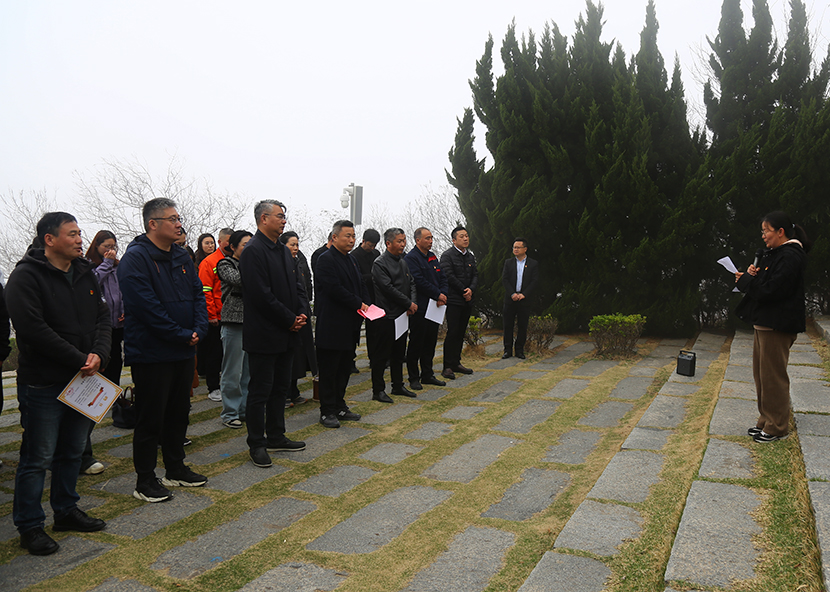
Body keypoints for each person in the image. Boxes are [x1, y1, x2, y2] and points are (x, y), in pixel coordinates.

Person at [5, 212, 110, 555]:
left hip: (83, 379)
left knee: (72, 451)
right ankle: (30, 525)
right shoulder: (25, 276)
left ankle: (65, 510)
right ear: (49, 240)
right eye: (72, 234)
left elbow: (102, 316)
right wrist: (78, 358)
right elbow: (32, 329)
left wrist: (99, 354)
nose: (80, 239)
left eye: (80, 233)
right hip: (44, 383)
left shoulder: (85, 272)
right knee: (38, 457)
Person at [118, 199, 209, 502]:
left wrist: (199, 329)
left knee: (179, 413)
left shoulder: (181, 255)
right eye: (172, 219)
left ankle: (175, 468)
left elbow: (197, 294)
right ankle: (145, 480)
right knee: (151, 417)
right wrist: (181, 334)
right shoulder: (136, 259)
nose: (178, 224)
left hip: (183, 349)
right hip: (152, 352)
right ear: (152, 224)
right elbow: (146, 308)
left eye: (178, 218)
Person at [239, 200, 307, 468]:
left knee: (281, 388)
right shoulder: (253, 251)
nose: (284, 221)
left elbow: (297, 285)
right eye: (279, 216)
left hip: (288, 332)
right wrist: (289, 319)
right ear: (263, 219)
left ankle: (277, 435)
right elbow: (260, 295)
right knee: (260, 391)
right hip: (265, 333)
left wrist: (301, 313)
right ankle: (257, 443)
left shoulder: (283, 250)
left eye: (284, 216)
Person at [735, 211, 812, 443]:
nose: (763, 236)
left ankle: (777, 426)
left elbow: (772, 291)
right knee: (762, 376)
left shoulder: (790, 256)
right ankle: (766, 420)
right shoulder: (776, 254)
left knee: (773, 377)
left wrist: (747, 283)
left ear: (780, 232)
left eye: (766, 231)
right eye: (762, 231)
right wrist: (751, 277)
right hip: (765, 323)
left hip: (777, 324)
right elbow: (766, 285)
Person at [79, 230, 126, 475]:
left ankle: (117, 409)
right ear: (96, 246)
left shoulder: (119, 267)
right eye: (106, 246)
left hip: (118, 325)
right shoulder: (90, 267)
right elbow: (94, 285)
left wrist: (125, 309)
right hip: (98, 330)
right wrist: (106, 263)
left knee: (116, 366)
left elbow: (121, 292)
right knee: (100, 370)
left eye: (113, 246)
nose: (111, 250)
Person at [315, 220, 370, 427]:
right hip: (332, 324)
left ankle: (339, 405)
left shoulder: (352, 259)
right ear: (335, 237)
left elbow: (360, 284)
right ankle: (327, 410)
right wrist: (358, 303)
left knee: (344, 368)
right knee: (329, 370)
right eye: (348, 236)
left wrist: (367, 304)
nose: (352, 240)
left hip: (350, 324)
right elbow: (333, 288)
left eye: (353, 236)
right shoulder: (325, 259)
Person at [370, 228, 418, 402]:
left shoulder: (403, 261)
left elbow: (411, 283)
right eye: (399, 241)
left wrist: (412, 303)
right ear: (388, 243)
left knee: (399, 353)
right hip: (386, 315)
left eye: (404, 240)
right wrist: (408, 303)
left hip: (402, 314)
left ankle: (398, 385)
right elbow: (387, 288)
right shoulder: (380, 263)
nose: (403, 244)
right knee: (382, 355)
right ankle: (378, 390)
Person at [216, 230, 253, 429]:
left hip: (251, 324)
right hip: (233, 323)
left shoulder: (252, 265)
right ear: (233, 247)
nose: (249, 249)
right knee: (232, 371)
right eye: (245, 245)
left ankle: (244, 409)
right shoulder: (225, 264)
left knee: (247, 371)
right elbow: (240, 280)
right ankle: (230, 412)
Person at [404, 227, 448, 390]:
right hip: (421, 307)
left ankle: (427, 374)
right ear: (418, 240)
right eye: (427, 238)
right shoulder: (411, 258)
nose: (430, 241)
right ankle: (413, 377)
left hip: (435, 307)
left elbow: (442, 277)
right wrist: (437, 294)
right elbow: (418, 281)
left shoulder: (432, 256)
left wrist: (443, 294)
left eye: (431, 238)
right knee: (417, 343)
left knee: (430, 342)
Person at [279, 231, 315, 407]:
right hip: (287, 315)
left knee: (299, 356)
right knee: (286, 357)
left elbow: (305, 285)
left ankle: (294, 391)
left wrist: (304, 310)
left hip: (301, 313)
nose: (295, 248)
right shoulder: (279, 262)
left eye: (297, 245)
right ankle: (284, 394)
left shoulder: (299, 260)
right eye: (292, 245)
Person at [199, 228, 233, 401]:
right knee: (214, 353)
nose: (231, 244)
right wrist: (211, 314)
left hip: (232, 315)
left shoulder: (235, 259)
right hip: (216, 317)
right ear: (220, 242)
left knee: (230, 354)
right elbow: (205, 290)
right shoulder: (209, 262)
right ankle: (213, 387)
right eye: (228, 241)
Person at [440, 225, 478, 379]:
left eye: (466, 236)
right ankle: (447, 366)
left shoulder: (470, 256)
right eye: (461, 236)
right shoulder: (447, 256)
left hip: (467, 300)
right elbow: (448, 276)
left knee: (461, 332)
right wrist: (463, 290)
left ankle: (456, 362)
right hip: (454, 299)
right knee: (453, 332)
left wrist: (471, 290)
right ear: (454, 240)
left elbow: (475, 275)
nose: (465, 238)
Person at [501, 237, 539, 359]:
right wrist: (512, 293)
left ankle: (519, 350)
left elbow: (534, 281)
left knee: (522, 326)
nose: (515, 249)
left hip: (524, 300)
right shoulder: (508, 262)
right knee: (508, 325)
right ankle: (507, 350)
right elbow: (505, 279)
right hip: (510, 299)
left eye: (518, 247)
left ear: (525, 249)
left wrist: (524, 294)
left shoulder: (533, 264)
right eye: (514, 247)